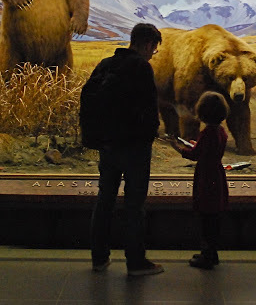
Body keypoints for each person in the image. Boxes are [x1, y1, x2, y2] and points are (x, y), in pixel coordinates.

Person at [88, 23, 164, 276]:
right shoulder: (142, 68)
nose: (153, 53)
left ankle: (99, 258)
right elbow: (150, 109)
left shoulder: (105, 64)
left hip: (107, 146)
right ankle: (136, 262)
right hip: (134, 148)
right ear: (147, 44)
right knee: (134, 205)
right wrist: (149, 135)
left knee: (105, 200)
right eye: (154, 48)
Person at [169, 91, 230, 269]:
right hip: (217, 175)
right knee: (213, 218)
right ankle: (211, 252)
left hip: (206, 177)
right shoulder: (221, 131)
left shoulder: (207, 133)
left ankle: (207, 256)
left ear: (202, 112)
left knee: (206, 217)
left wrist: (177, 147)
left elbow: (195, 154)